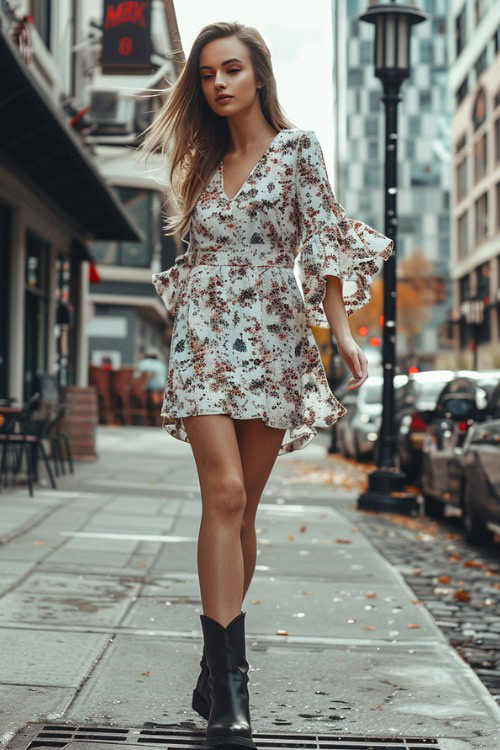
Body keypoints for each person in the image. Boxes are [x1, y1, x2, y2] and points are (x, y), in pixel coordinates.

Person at [140, 21, 393, 749]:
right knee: (221, 494)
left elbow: (324, 240)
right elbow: (194, 257)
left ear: (259, 77)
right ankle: (234, 690)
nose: (219, 85)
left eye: (231, 71)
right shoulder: (200, 161)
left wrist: (341, 332)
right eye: (208, 75)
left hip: (274, 340)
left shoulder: (298, 149)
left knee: (244, 510)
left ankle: (213, 666)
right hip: (205, 339)